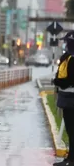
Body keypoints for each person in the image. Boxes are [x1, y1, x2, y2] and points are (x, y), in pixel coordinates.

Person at [53, 31, 74, 166]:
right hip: (67, 99)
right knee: (70, 130)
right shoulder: (67, 57)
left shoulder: (73, 59)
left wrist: (57, 82)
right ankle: (70, 158)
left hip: (72, 99)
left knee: (72, 130)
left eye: (67, 42)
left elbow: (70, 80)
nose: (65, 44)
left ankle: (71, 160)